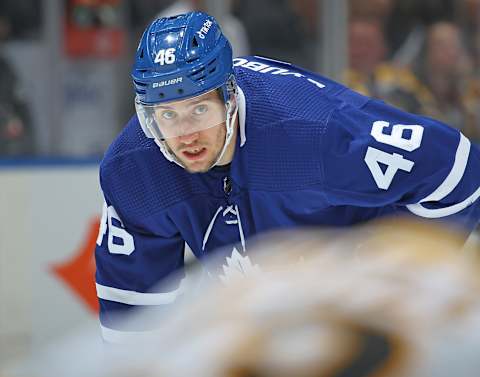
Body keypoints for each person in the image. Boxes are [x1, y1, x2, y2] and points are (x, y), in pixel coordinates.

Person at [95, 11, 480, 342]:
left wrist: (386, 274)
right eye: (167, 115)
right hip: (272, 319)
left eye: (199, 111)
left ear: (229, 96)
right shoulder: (134, 170)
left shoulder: (313, 131)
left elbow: (457, 168)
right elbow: (133, 318)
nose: (185, 136)